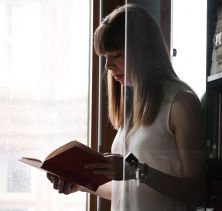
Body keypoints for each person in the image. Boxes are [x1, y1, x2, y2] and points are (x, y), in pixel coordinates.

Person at [46, 4, 204, 211]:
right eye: (105, 57)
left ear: (145, 51)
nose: (107, 66)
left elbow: (196, 191)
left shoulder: (181, 103)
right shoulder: (132, 110)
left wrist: (135, 170)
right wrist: (81, 184)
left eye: (117, 54)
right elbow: (128, 190)